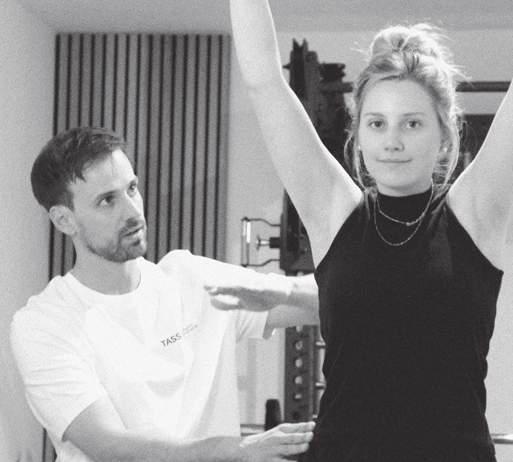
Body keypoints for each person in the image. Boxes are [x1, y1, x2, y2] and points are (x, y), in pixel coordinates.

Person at [229, 1, 513, 461]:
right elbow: (263, 81)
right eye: (377, 124)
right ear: (358, 133)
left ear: (444, 134)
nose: (392, 141)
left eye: (412, 124)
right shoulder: (334, 212)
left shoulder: (476, 213)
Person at [9, 126, 319, 462]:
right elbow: (112, 447)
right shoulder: (44, 323)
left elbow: (330, 301)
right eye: (107, 200)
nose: (132, 212)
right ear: (64, 220)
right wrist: (239, 451)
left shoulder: (191, 278)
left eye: (132, 189)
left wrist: (286, 290)